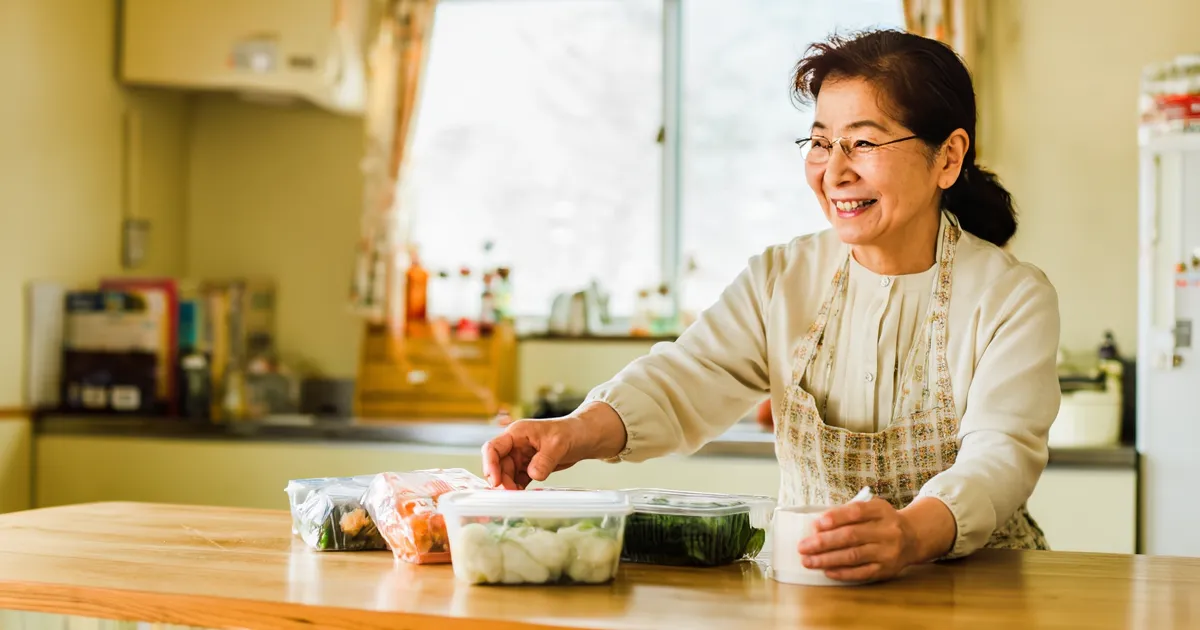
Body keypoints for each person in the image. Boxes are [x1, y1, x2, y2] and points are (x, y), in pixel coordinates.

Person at [482, 28, 1061, 583]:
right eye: (819, 142)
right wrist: (575, 431)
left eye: (862, 142)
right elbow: (686, 378)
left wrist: (912, 534)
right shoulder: (781, 278)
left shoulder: (1010, 297)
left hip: (981, 591)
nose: (834, 170)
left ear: (947, 157)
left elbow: (1001, 454)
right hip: (814, 587)